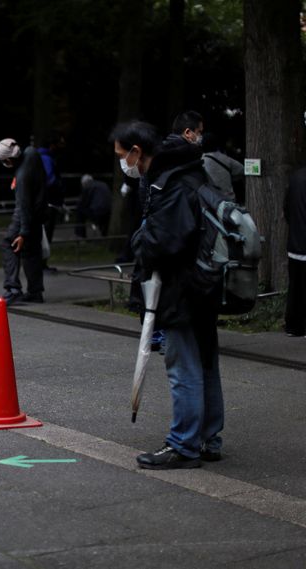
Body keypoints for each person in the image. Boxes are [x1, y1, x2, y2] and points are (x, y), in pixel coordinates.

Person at [113, 120, 223, 470]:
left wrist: (139, 242)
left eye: (122, 155)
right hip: (204, 282)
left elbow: (162, 242)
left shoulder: (168, 181)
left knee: (183, 365)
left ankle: (184, 444)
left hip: (181, 288)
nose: (122, 163)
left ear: (136, 152)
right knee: (206, 363)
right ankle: (209, 437)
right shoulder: (191, 170)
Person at [0, 138, 46, 305]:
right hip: (39, 212)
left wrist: (23, 233)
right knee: (32, 251)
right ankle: (35, 292)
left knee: (9, 244)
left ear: (9, 160)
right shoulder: (32, 153)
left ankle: (13, 288)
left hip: (25, 215)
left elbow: (23, 206)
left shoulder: (21, 177)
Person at [284, 166, 306, 337]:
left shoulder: (296, 177)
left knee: (295, 286)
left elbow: (287, 208)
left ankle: (293, 325)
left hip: (295, 242)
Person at [37, 131, 66, 248]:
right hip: (49, 203)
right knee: (46, 234)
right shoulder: (46, 159)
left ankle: (42, 263)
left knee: (45, 235)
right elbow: (50, 180)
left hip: (48, 202)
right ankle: (41, 264)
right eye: (60, 143)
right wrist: (59, 185)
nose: (63, 146)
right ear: (53, 145)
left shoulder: (44, 157)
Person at [202, 133, 244, 202]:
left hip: (210, 202)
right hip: (228, 200)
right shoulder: (225, 158)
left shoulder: (200, 161)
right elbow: (242, 169)